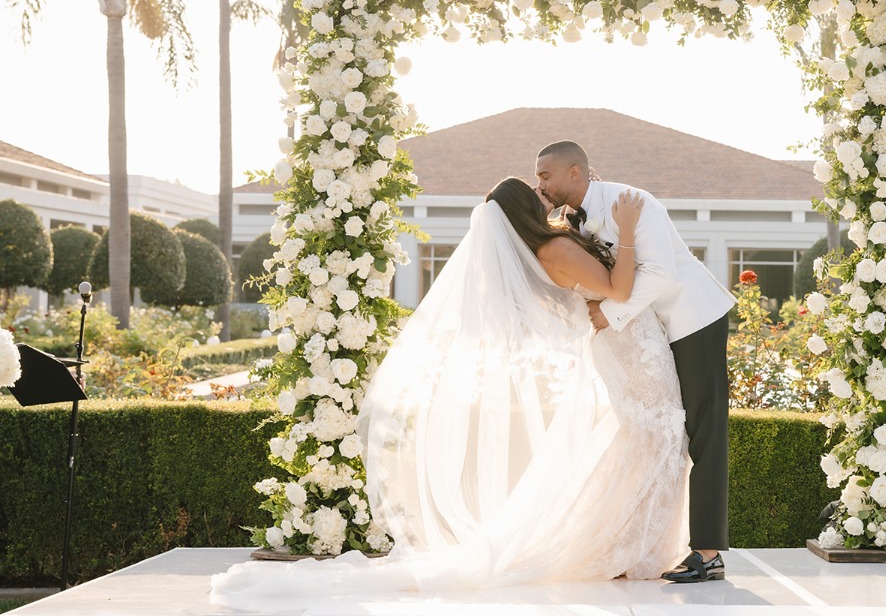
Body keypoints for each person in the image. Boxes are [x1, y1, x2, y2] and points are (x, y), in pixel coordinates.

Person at [210, 178, 688, 611]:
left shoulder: (551, 246)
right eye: (537, 190)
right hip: (633, 351)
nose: (545, 193)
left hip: (627, 346)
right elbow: (621, 290)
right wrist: (626, 229)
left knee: (648, 441)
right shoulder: (556, 251)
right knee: (658, 437)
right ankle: (631, 548)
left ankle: (630, 546)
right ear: (525, 208)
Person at [535, 141, 736, 584]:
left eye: (545, 175)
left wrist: (613, 313)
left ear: (574, 172)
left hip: (693, 318)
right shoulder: (569, 221)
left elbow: (660, 272)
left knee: (705, 432)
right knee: (666, 432)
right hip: (654, 333)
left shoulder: (634, 202)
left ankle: (707, 552)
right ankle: (639, 543)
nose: (540, 184)